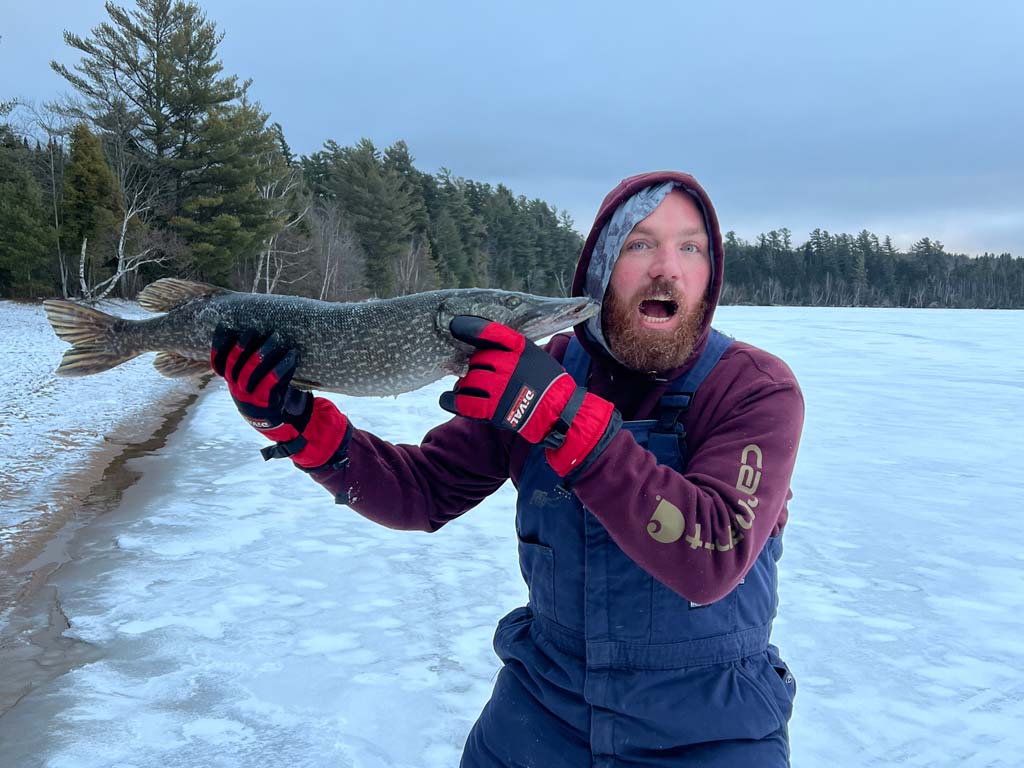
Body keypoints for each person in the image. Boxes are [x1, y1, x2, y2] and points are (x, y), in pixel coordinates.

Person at [211, 171, 804, 767]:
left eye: (690, 247)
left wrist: (562, 419)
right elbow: (424, 493)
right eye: (640, 243)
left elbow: (711, 556)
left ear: (709, 272)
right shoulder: (544, 371)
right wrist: (302, 428)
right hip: (541, 710)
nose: (667, 268)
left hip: (711, 728)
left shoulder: (752, 389)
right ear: (601, 267)